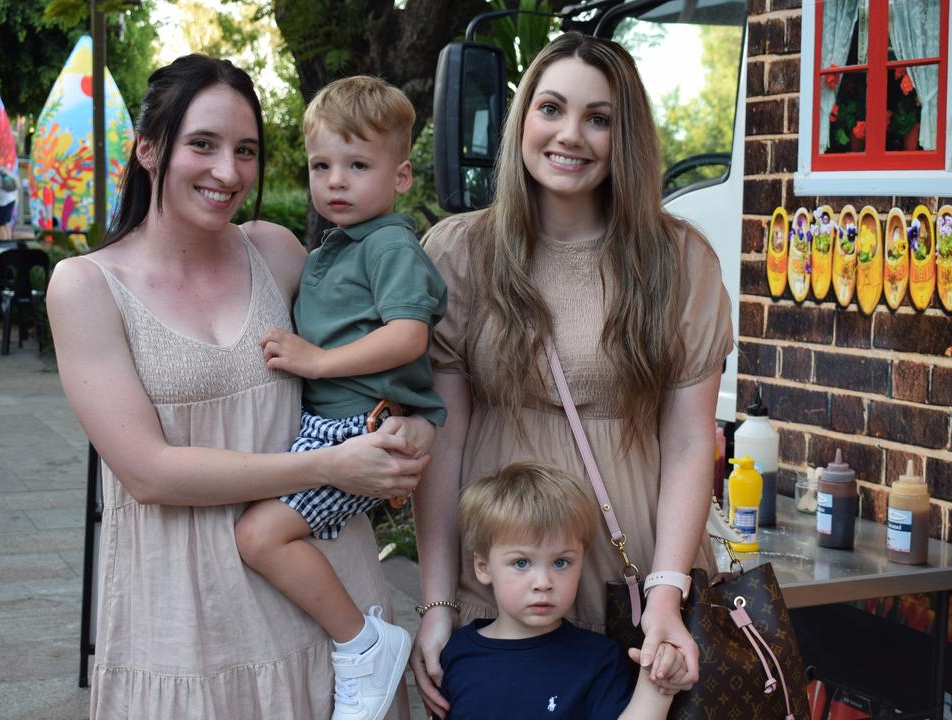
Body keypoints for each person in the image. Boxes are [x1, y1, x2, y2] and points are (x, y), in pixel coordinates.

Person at [47, 55, 432, 720]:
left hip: (330, 600)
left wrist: (413, 426)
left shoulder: (277, 252)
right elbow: (150, 474)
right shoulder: (85, 287)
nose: (228, 172)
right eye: (203, 144)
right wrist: (329, 464)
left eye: (246, 151)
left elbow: (374, 359)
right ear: (148, 148)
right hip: (186, 618)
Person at [410, 32, 735, 719]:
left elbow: (687, 441)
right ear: (523, 118)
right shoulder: (461, 252)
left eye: (599, 118)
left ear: (628, 137)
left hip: (638, 572)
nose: (571, 135)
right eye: (551, 108)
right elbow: (446, 436)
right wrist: (438, 600)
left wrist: (668, 592)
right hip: (505, 563)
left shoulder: (678, 260)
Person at [233, 75, 447, 720]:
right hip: (335, 426)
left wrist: (319, 360)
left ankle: (362, 645)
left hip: (360, 430)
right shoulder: (337, 246)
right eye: (322, 165)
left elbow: (408, 334)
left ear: (401, 176)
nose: (335, 182)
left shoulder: (389, 244)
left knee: (261, 536)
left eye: (358, 165)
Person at [440, 462, 684, 719]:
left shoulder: (598, 659)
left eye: (561, 562)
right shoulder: (458, 651)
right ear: (483, 567)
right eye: (521, 563)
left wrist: (656, 685)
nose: (543, 582)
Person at [0, 164, 18, 239]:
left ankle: (3, 245)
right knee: (5, 224)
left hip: (2, 203)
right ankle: (9, 244)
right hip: (10, 200)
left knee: (0, 226)